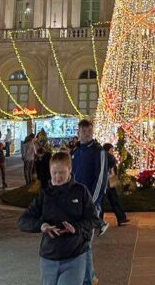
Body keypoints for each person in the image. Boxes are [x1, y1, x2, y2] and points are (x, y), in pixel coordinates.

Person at [18, 151, 99, 285]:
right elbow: (23, 221)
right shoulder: (45, 194)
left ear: (70, 170)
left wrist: (76, 228)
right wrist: (41, 226)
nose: (57, 177)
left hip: (75, 255)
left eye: (62, 172)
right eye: (54, 172)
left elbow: (93, 219)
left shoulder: (80, 191)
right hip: (49, 257)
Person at [70, 119, 108, 285]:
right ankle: (89, 276)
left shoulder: (98, 151)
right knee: (81, 243)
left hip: (89, 204)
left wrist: (92, 203)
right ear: (78, 132)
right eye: (83, 131)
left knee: (85, 243)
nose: (86, 134)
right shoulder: (76, 151)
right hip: (76, 203)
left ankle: (88, 279)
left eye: (89, 131)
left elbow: (101, 179)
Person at [101, 144, 129, 227]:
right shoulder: (105, 159)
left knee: (115, 200)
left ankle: (121, 218)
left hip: (111, 183)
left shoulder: (110, 158)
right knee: (103, 203)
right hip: (105, 183)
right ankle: (100, 221)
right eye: (111, 150)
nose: (112, 152)